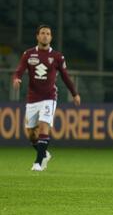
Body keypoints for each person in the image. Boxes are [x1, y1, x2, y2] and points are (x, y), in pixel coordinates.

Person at [12, 24, 81, 171]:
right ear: (37, 36)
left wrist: (74, 93)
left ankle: (38, 163)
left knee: (44, 126)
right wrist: (17, 78)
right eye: (42, 33)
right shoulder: (28, 54)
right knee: (31, 134)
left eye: (48, 34)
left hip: (49, 97)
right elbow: (19, 70)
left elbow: (66, 77)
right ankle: (44, 153)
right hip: (32, 98)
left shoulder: (57, 56)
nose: (45, 36)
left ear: (51, 37)